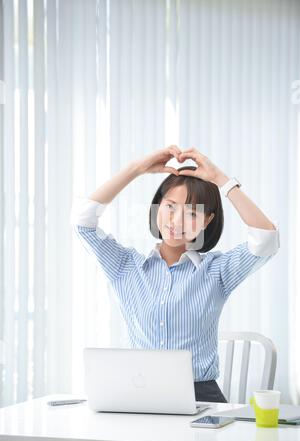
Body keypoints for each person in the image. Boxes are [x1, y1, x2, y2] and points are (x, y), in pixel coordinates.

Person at [70, 145, 280, 403]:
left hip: (201, 396)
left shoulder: (215, 271)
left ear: (206, 221)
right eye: (170, 207)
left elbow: (267, 239)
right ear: (157, 207)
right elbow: (82, 221)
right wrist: (136, 169)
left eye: (192, 213)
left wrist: (220, 180)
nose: (176, 221)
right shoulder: (126, 266)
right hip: (139, 393)